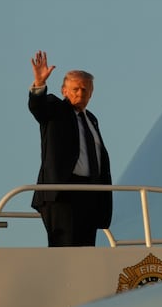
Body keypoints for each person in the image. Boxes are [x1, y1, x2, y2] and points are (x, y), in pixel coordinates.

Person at [27, 50, 113, 247]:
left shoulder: (91, 119)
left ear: (91, 92)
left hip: (89, 193)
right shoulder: (55, 108)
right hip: (63, 193)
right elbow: (38, 107)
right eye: (75, 89)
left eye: (85, 90)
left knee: (86, 251)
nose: (80, 93)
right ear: (64, 91)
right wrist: (39, 84)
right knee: (66, 249)